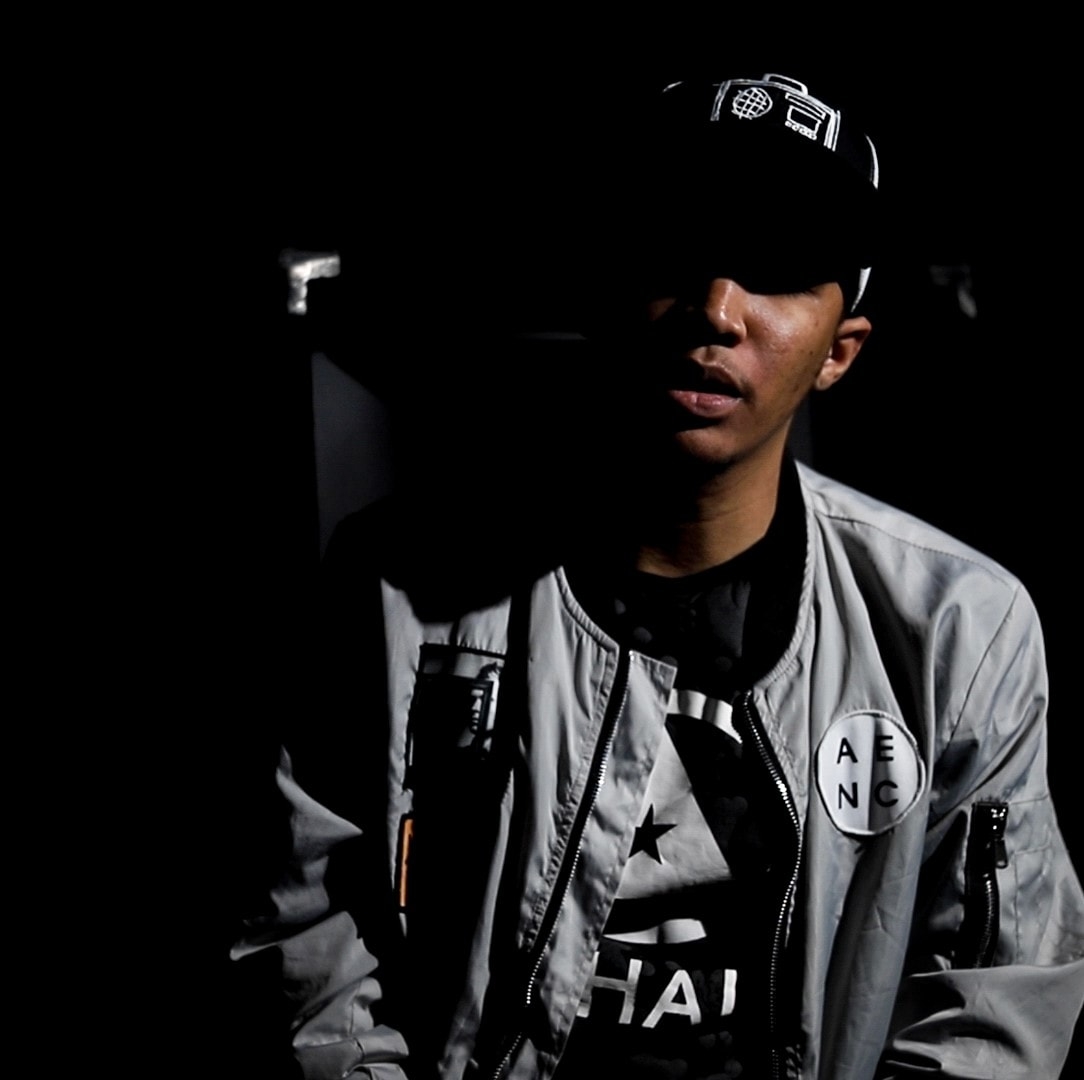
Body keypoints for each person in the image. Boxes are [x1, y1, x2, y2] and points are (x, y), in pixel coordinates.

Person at [232, 73, 1084, 1079]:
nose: (715, 308)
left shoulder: (958, 631)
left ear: (840, 351)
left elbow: (990, 1008)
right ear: (606, 285)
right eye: (681, 244)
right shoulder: (395, 587)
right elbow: (308, 941)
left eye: (776, 268)